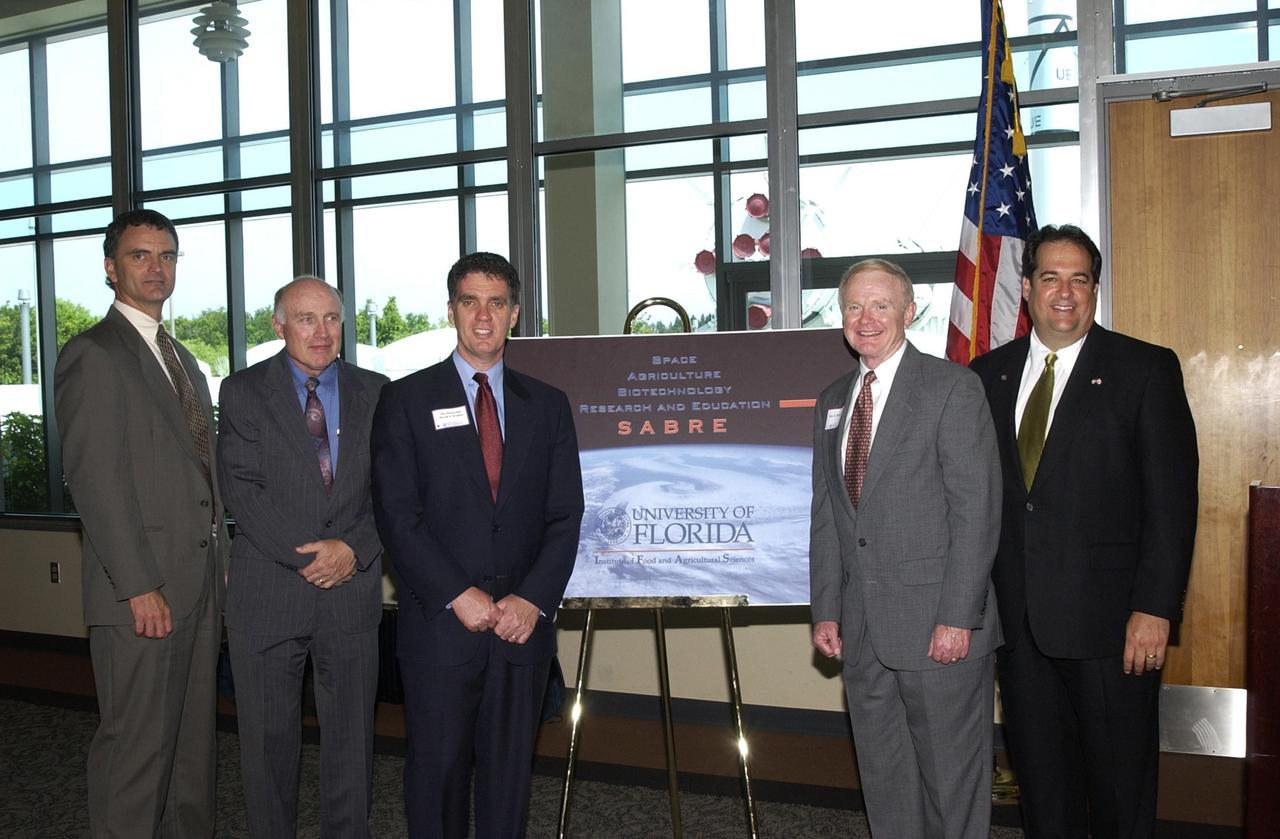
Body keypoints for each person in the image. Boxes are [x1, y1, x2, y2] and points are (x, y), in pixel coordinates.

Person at [969, 225, 1198, 839]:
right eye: (1051, 277)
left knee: (1120, 794)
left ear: (1095, 288)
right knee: (1044, 794)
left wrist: (1154, 608)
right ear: (1026, 288)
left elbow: (1172, 503)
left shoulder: (1144, 368)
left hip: (1113, 630)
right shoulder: (985, 375)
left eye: (1080, 279)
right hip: (1018, 630)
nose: (1064, 292)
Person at [371, 252, 584, 838]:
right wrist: (455, 594)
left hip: (522, 630)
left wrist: (532, 599)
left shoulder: (549, 405)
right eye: (470, 301)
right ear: (451, 311)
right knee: (436, 779)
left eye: (496, 302)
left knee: (509, 781)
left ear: (514, 313)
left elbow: (565, 516)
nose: (483, 315)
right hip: (441, 626)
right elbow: (396, 515)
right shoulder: (405, 400)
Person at [809, 258, 1002, 839]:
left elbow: (976, 512)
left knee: (951, 784)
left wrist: (957, 617)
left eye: (881, 305)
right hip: (863, 630)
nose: (866, 319)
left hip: (938, 629)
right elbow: (829, 514)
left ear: (909, 312)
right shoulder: (832, 400)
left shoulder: (952, 388)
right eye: (854, 306)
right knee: (886, 779)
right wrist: (826, 609)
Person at [54, 209, 227, 837]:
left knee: (190, 754)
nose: (156, 269)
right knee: (137, 755)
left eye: (167, 256)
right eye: (139, 256)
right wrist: (137, 585)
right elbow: (97, 482)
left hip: (198, 584)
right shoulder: (94, 354)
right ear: (110, 267)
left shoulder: (180, 356)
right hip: (143, 594)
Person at [216, 276, 389, 838]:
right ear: (279, 324)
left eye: (332, 318)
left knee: (352, 745)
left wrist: (354, 550)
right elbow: (242, 490)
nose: (321, 331)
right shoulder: (241, 391)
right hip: (269, 594)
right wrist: (313, 558)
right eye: (307, 318)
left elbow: (398, 490)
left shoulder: (379, 392)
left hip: (351, 593)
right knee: (267, 747)